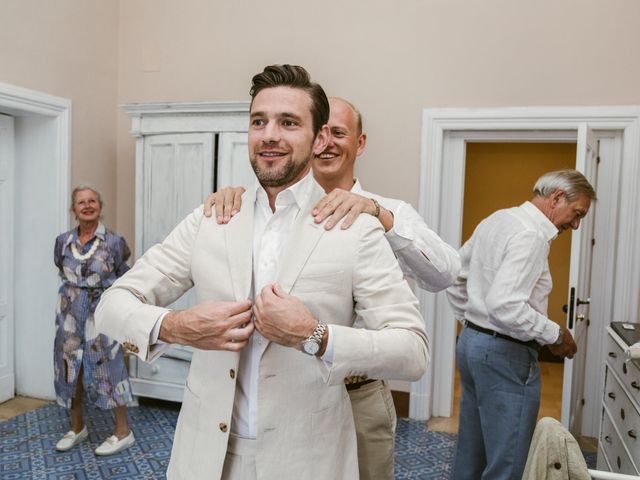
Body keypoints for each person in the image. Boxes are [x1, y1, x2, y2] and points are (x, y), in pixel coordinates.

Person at [95, 64, 429, 480]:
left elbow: (413, 351)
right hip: (205, 457)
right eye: (259, 121)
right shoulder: (212, 217)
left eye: (288, 122)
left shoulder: (354, 228)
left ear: (319, 136)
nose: (270, 134)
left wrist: (316, 337)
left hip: (309, 460)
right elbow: (111, 305)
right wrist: (175, 326)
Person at [204, 96, 460, 480]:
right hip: (283, 394)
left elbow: (444, 274)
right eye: (319, 132)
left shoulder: (389, 212)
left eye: (338, 133)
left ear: (360, 143)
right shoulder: (261, 211)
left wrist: (379, 215)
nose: (326, 143)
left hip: (359, 394)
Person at [446, 169, 596, 480]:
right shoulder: (532, 235)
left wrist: (475, 324)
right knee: (509, 462)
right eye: (577, 213)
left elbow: (455, 278)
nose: (577, 224)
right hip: (505, 356)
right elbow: (505, 306)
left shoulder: (498, 219)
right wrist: (555, 334)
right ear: (556, 198)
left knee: (470, 454)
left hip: (472, 344)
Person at [53, 186, 135, 455]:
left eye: (92, 201)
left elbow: (126, 274)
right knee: (70, 369)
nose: (87, 206)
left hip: (103, 313)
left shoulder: (114, 241)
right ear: (73, 209)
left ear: (100, 206)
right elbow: (61, 268)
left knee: (110, 368)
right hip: (69, 316)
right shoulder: (63, 241)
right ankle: (77, 428)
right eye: (81, 202)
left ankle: (123, 432)